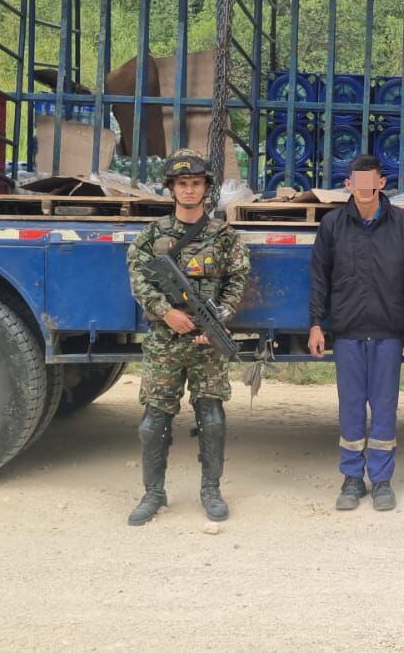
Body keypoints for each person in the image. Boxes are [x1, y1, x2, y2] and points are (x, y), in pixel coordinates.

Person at [124, 149, 250, 526]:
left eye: (196, 184)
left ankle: (210, 491)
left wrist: (218, 322)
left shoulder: (223, 237)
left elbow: (237, 280)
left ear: (206, 189)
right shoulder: (152, 235)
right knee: (153, 421)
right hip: (166, 340)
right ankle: (153, 493)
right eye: (183, 184)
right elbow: (138, 277)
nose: (190, 190)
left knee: (212, 417)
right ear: (172, 190)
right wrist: (167, 312)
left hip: (206, 343)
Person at [307, 154, 404, 512]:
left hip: (390, 331)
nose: (362, 188)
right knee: (352, 408)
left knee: (385, 407)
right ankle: (352, 478)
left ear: (380, 183)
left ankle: (382, 481)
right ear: (348, 185)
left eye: (368, 181)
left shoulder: (403, 225)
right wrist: (316, 323)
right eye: (355, 182)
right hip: (347, 331)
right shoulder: (332, 226)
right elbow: (319, 279)